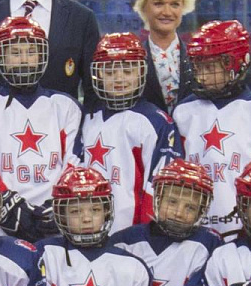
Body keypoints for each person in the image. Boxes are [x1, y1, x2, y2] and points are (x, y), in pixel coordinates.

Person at [0, 16, 84, 238]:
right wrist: (4, 203)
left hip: (56, 222)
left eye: (31, 52)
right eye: (15, 53)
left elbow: (74, 162)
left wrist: (60, 202)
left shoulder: (66, 105)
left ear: (42, 55)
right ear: (0, 56)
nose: (23, 60)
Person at [171, 20, 251, 238]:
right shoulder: (184, 111)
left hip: (249, 233)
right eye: (199, 67)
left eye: (210, 67)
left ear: (236, 64)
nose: (203, 76)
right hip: (192, 231)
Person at [76, 32, 180, 232]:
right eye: (109, 72)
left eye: (128, 70)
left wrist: (145, 234)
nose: (119, 78)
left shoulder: (156, 122)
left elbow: (159, 187)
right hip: (87, 230)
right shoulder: (88, 117)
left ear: (141, 73)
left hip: (133, 235)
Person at [107, 158, 222, 286]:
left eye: (190, 207)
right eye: (172, 202)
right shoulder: (125, 241)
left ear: (201, 212)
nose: (179, 213)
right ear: (158, 200)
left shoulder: (209, 243)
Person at [132, 0, 195, 108]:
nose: (167, 12)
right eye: (158, 4)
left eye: (175, 4)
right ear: (143, 7)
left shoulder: (198, 58)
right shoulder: (133, 61)